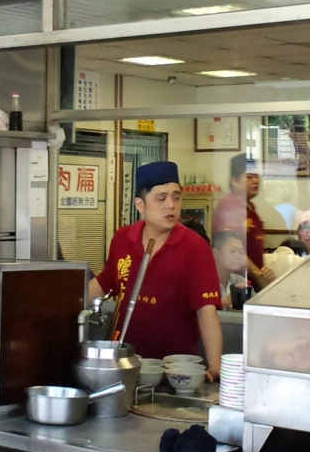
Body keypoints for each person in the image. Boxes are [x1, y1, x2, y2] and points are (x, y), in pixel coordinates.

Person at [90, 160, 223, 378]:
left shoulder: (195, 247)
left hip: (173, 368)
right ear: (140, 205)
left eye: (176, 197)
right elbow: (105, 282)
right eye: (161, 198)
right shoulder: (123, 239)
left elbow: (206, 310)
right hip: (123, 361)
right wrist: (62, 305)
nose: (171, 205)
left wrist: (215, 364)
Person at [212, 155, 276, 290]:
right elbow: (234, 250)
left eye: (257, 176)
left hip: (252, 284)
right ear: (234, 181)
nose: (255, 181)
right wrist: (259, 275)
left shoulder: (249, 207)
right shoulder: (230, 206)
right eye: (249, 177)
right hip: (237, 285)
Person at [213, 229, 252, 310]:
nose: (238, 256)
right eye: (232, 251)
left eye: (241, 252)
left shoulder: (239, 280)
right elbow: (195, 312)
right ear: (215, 253)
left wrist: (267, 281)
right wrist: (227, 301)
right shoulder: (202, 281)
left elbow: (257, 307)